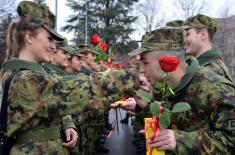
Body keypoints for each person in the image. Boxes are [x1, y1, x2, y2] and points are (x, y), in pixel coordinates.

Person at [0, 1, 139, 154]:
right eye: (49, 39)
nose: (54, 46)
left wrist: (66, 123)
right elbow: (78, 89)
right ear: (29, 37)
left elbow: (48, 105)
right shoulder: (27, 78)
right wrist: (135, 75)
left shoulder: (28, 74)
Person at [127, 27, 235, 154]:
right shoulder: (167, 86)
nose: (142, 70)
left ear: (165, 59)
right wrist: (147, 106)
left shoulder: (217, 89)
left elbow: (230, 141)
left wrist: (181, 141)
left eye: (145, 63)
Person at [182, 14, 233, 82]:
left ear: (203, 35)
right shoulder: (199, 65)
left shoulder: (210, 70)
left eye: (187, 34)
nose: (184, 40)